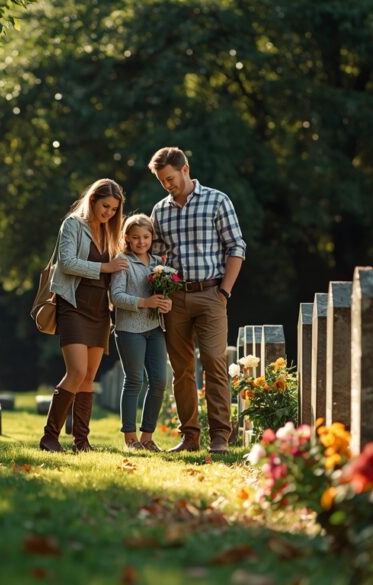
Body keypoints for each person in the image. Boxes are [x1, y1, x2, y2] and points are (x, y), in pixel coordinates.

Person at [147, 146, 246, 454]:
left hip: (212, 293)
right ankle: (190, 436)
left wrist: (225, 291)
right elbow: (154, 256)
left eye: (170, 178)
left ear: (185, 169)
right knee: (182, 369)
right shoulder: (160, 210)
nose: (167, 185)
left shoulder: (217, 200)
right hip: (175, 298)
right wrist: (160, 287)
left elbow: (236, 247)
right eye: (162, 181)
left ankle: (219, 436)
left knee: (215, 362)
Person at [39, 178, 128, 452]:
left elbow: (119, 270)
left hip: (100, 310)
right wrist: (105, 268)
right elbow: (66, 263)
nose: (109, 213)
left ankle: (82, 442)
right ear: (92, 200)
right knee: (76, 372)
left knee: (89, 377)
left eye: (114, 209)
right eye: (105, 206)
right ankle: (49, 437)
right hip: (73, 305)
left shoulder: (110, 232)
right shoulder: (73, 225)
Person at [110, 214, 172, 451]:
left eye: (146, 237)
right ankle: (130, 439)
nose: (141, 242)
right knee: (135, 380)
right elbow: (116, 297)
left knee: (159, 381)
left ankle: (147, 438)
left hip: (155, 329)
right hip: (129, 330)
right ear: (126, 238)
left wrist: (167, 304)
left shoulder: (159, 263)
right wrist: (145, 303)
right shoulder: (122, 261)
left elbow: (164, 296)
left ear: (151, 237)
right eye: (135, 237)